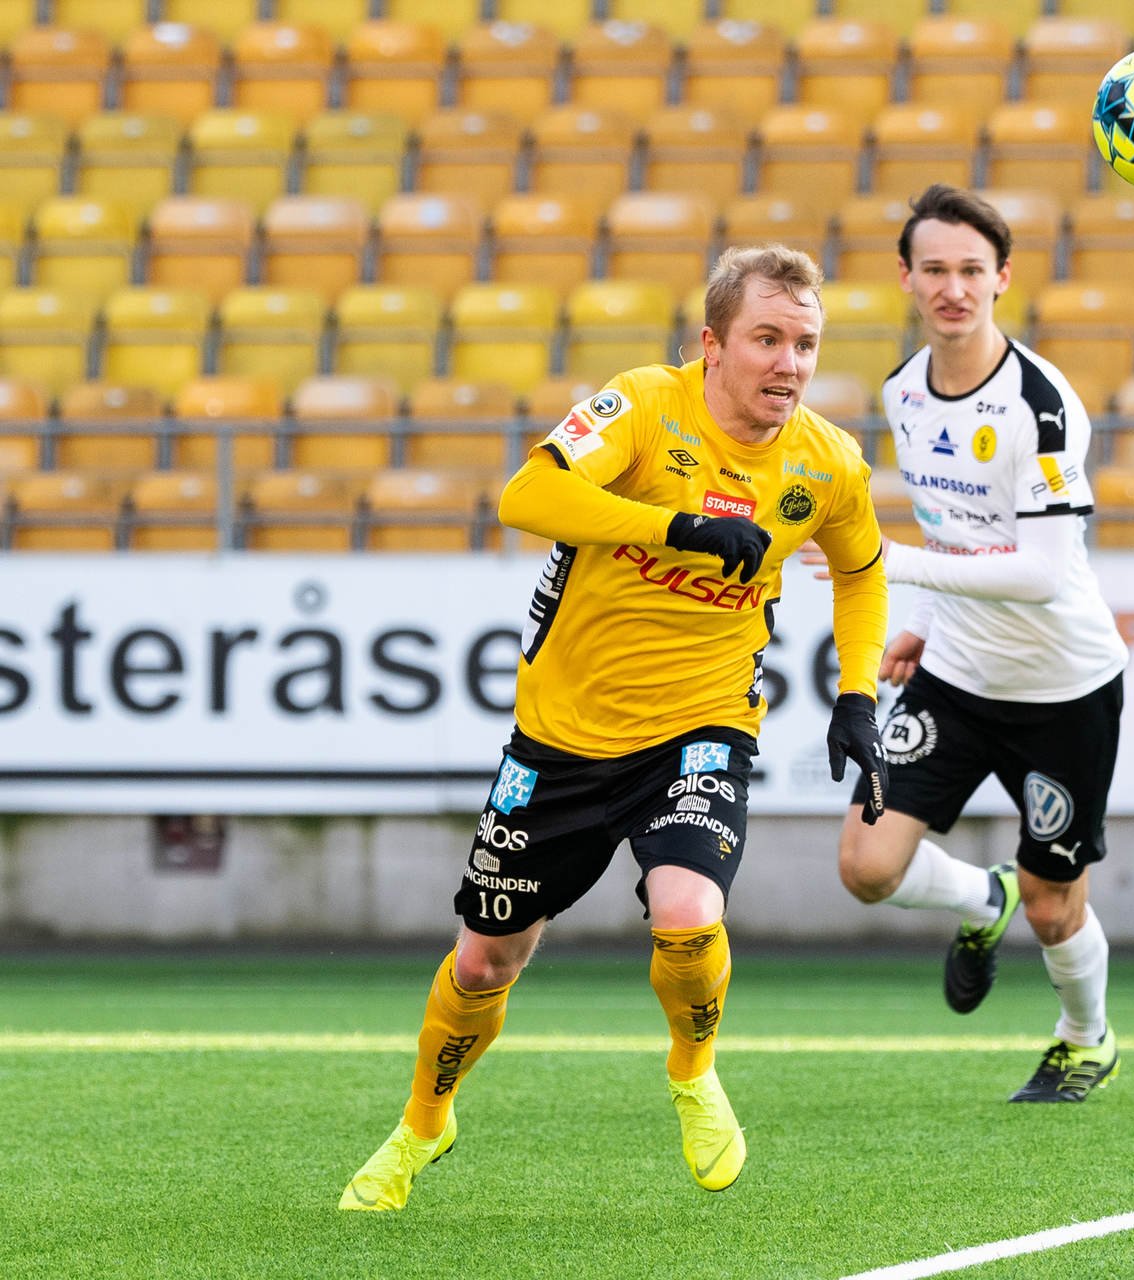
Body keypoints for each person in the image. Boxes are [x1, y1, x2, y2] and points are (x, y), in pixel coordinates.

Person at [340, 245, 890, 1211]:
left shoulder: (828, 462)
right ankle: (422, 1125)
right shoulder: (642, 405)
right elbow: (524, 495)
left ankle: (693, 1069)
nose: (789, 364)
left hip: (703, 724)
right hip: (559, 738)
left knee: (688, 914)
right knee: (483, 960)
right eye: (767, 339)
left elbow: (861, 568)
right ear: (712, 345)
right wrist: (671, 528)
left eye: (805, 343)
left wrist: (856, 694)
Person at [835, 185, 1129, 1102]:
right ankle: (979, 899)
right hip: (957, 674)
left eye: (971, 270)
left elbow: (1041, 572)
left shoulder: (1041, 407)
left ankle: (1085, 1038)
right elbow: (959, 532)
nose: (953, 288)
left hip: (1063, 688)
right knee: (867, 866)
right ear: (907, 279)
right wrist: (926, 621)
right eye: (935, 270)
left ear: (1003, 277)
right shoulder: (902, 392)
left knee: (1054, 905)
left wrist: (896, 568)